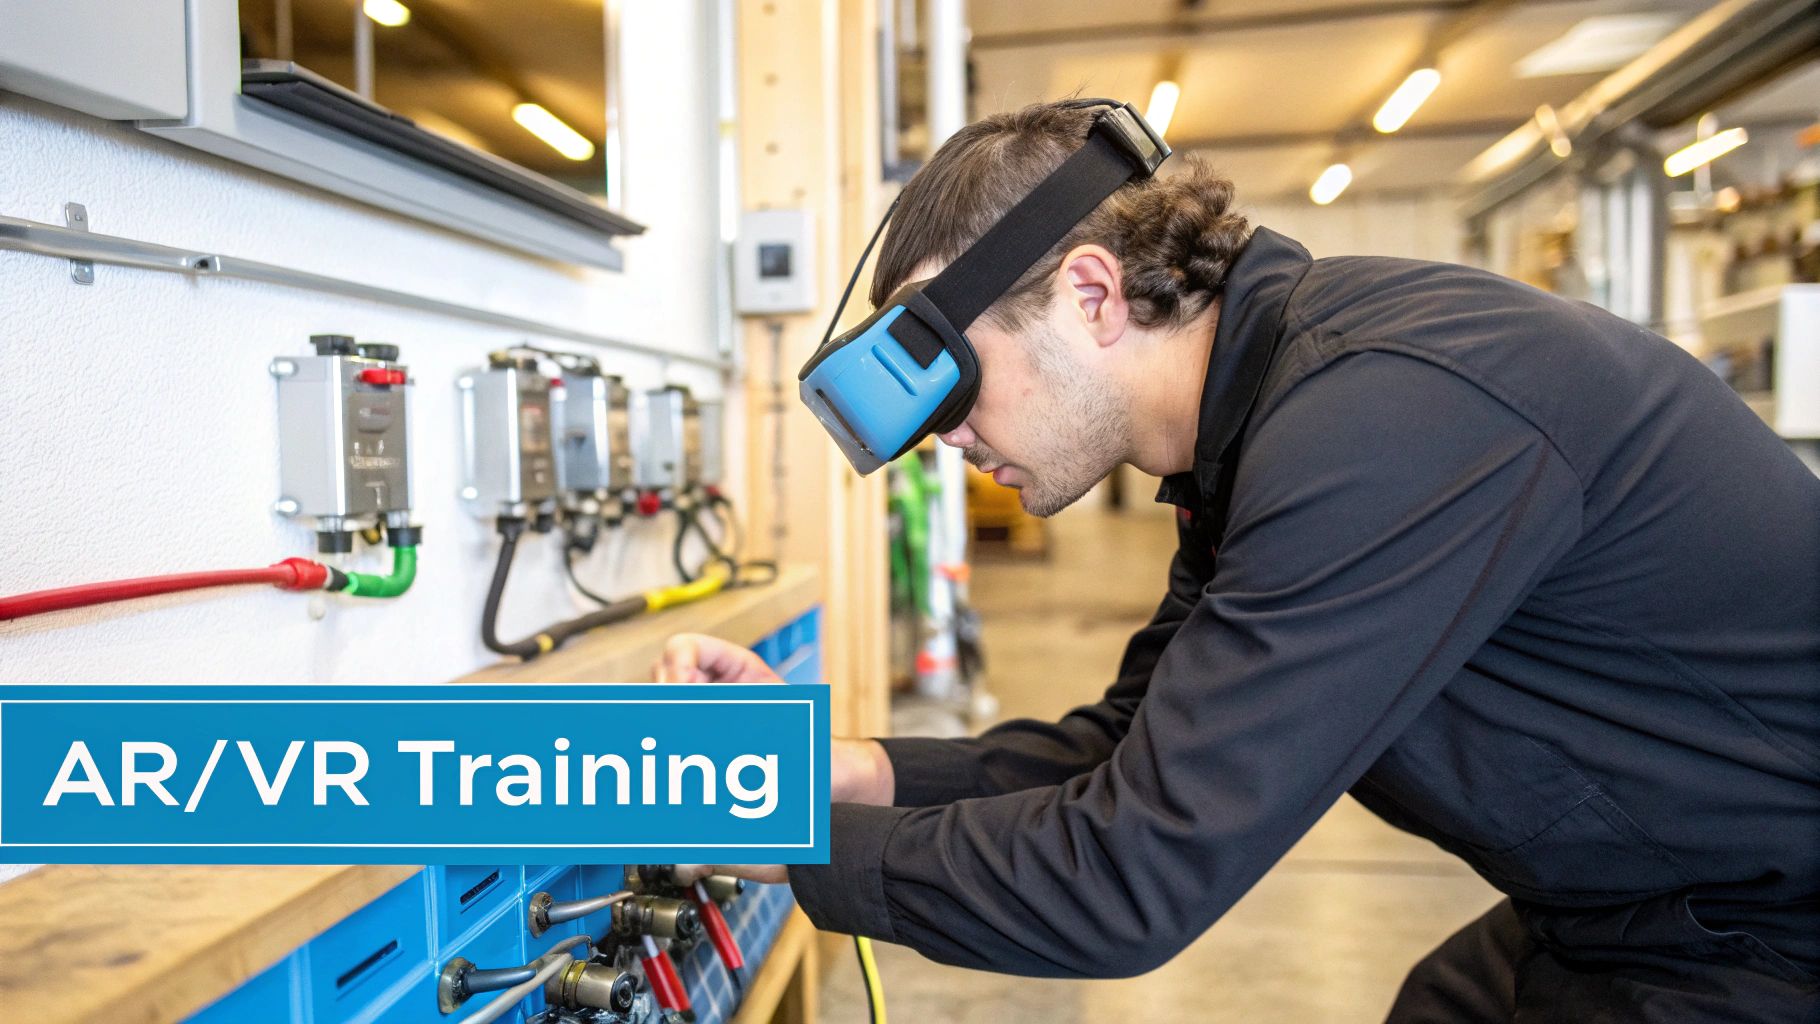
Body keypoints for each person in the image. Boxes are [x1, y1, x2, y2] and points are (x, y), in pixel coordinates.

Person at [655, 100, 1820, 1022]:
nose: (942, 439)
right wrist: (842, 774)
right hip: (1638, 904)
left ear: (1091, 295)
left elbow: (1129, 876)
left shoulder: (1382, 424)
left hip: (1770, 928)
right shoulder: (1257, 433)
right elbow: (1126, 752)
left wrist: (785, 842)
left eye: (949, 380)